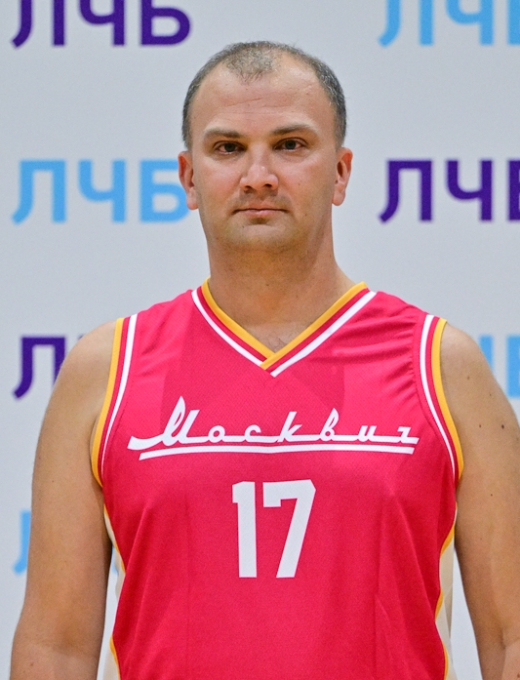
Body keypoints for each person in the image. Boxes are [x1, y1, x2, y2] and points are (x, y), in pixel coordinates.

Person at [10, 41, 520, 680]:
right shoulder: (104, 370)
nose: (258, 175)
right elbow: (55, 646)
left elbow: (511, 635)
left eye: (290, 145)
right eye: (228, 148)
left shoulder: (442, 365)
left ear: (341, 173)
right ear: (189, 177)